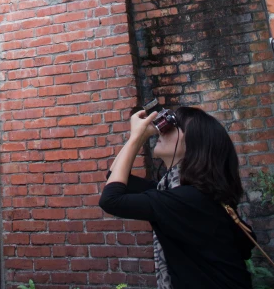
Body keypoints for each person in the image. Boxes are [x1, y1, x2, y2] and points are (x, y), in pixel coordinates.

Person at [99, 106, 254, 289]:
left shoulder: (188, 199)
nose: (161, 132)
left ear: (193, 144)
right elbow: (114, 177)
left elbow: (111, 200)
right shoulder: (179, 193)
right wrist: (140, 137)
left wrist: (136, 137)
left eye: (172, 126)